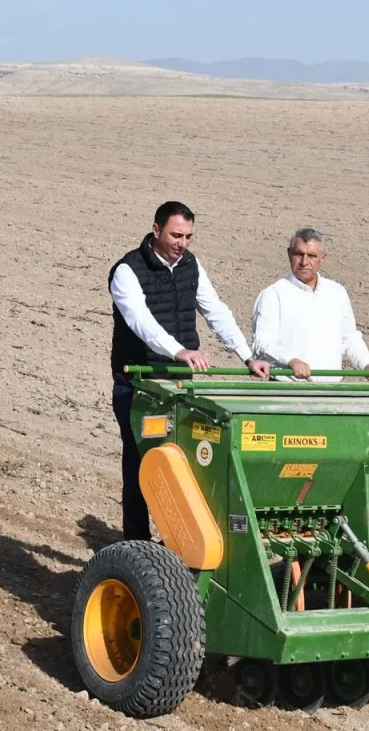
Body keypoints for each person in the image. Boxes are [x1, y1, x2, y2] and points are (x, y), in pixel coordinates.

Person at [109, 200, 270, 540]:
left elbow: (216, 311)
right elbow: (140, 321)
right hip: (138, 382)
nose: (182, 243)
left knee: (187, 466)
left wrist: (245, 356)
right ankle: (137, 543)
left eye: (188, 236)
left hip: (180, 385)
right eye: (175, 235)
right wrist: (178, 350)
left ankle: (183, 542)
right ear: (156, 230)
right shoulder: (127, 270)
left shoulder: (190, 266)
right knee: (141, 466)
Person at [251, 227, 369, 382]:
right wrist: (291, 360)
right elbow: (262, 343)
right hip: (288, 390)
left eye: (311, 256)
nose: (304, 262)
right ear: (289, 254)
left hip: (331, 391)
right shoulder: (273, 295)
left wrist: (367, 363)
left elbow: (349, 338)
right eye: (299, 254)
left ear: (322, 258)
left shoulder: (337, 292)